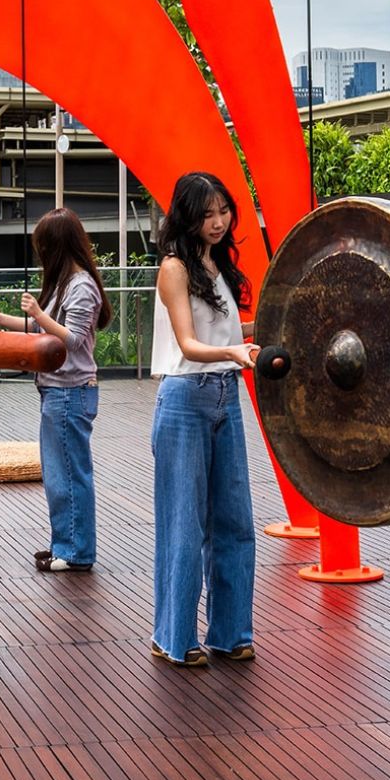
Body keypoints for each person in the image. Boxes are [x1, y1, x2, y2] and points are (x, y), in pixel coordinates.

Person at [148, 172, 260, 667]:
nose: (218, 222)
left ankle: (231, 632)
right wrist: (234, 352)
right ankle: (173, 638)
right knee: (184, 525)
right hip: (185, 398)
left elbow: (227, 332)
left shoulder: (218, 266)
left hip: (224, 395)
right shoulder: (174, 268)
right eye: (207, 214)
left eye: (224, 211)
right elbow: (191, 346)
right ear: (187, 217)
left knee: (235, 522)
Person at [0, 207, 111, 573]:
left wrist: (39, 314)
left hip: (70, 391)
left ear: (56, 247)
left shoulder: (81, 286)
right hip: (58, 391)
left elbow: (69, 339)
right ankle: (65, 546)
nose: (40, 255)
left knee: (68, 475)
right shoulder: (65, 283)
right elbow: (42, 331)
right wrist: (1, 319)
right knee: (60, 475)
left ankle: (75, 552)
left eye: (43, 247)